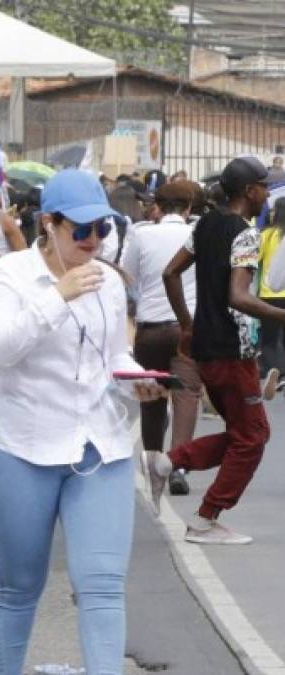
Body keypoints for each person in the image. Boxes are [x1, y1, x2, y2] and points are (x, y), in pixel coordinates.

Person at [0, 169, 167, 674]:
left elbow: (115, 355)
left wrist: (137, 381)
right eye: (80, 230)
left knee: (103, 586)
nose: (93, 241)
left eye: (102, 230)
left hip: (98, 448)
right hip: (21, 447)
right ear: (48, 224)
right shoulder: (10, 274)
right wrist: (56, 296)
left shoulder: (106, 281)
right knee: (18, 589)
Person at [157, 156, 279, 544]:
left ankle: (168, 462)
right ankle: (205, 518)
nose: (266, 195)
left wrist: (189, 325)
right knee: (253, 439)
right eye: (263, 186)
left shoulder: (205, 224)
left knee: (246, 433)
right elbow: (238, 297)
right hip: (232, 349)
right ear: (249, 191)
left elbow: (170, 272)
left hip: (207, 347)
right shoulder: (245, 233)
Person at [120, 181, 204, 497]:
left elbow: (128, 278)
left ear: (157, 205)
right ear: (188, 207)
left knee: (152, 396)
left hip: (150, 328)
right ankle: (178, 465)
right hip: (187, 327)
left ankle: (154, 461)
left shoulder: (141, 235)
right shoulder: (196, 235)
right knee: (187, 395)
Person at [257, 197, 285, 394]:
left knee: (269, 338)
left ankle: (276, 370)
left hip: (269, 294)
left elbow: (254, 259)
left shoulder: (267, 235)